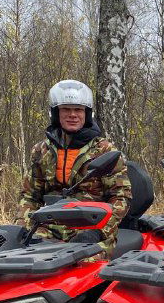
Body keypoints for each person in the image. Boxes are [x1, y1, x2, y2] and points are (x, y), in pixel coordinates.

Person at [17, 80, 131, 258]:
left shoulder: (105, 151)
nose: (72, 115)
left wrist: (99, 231)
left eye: (78, 110)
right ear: (55, 113)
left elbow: (121, 198)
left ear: (87, 113)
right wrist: (24, 227)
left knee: (79, 268)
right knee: (20, 258)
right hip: (49, 227)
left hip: (92, 229)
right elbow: (29, 196)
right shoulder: (41, 151)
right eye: (66, 109)